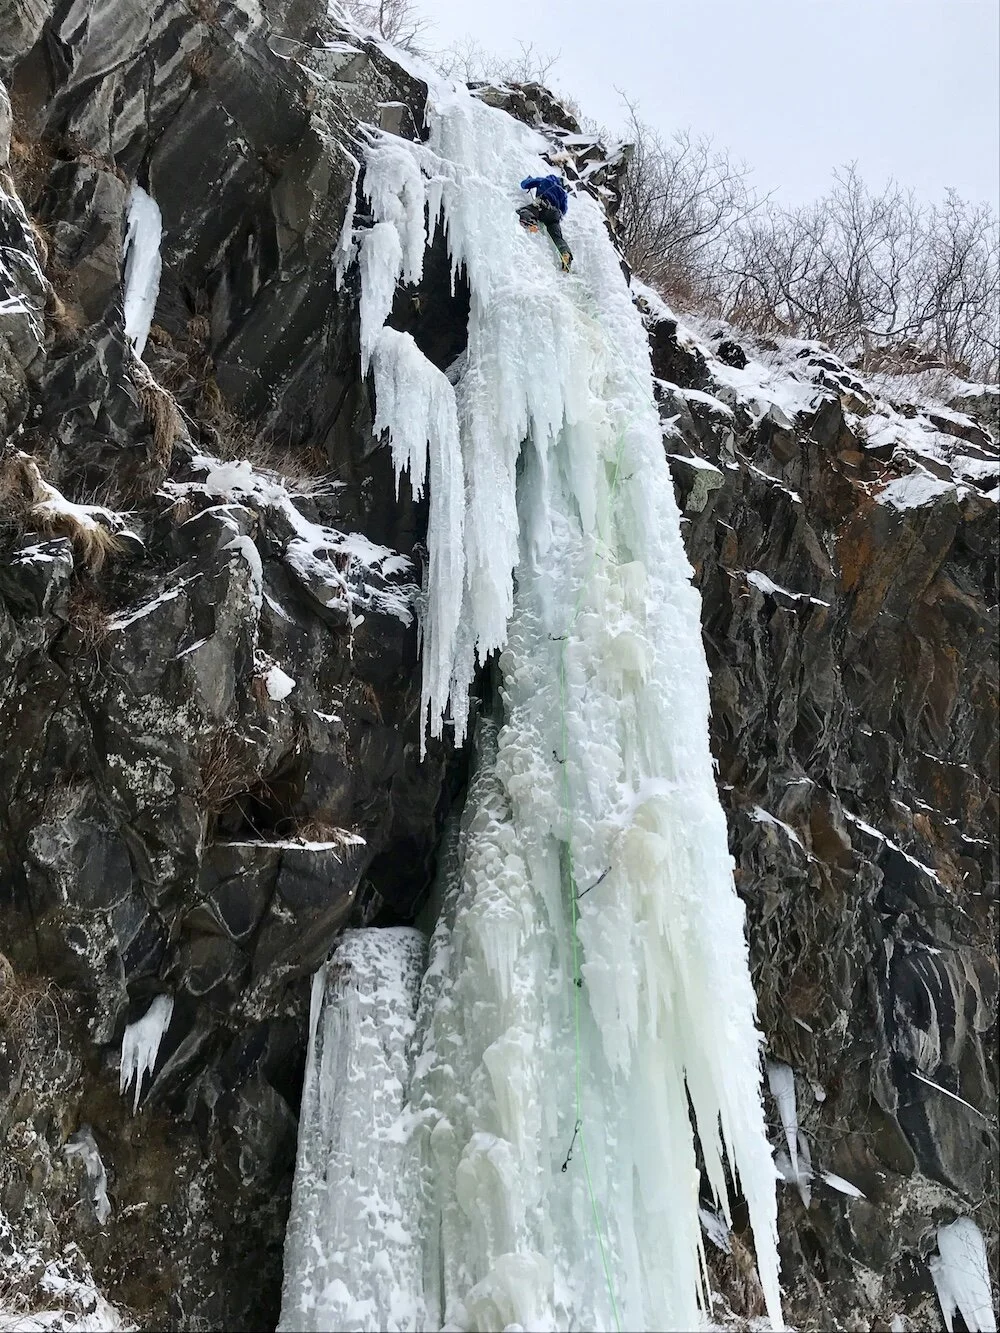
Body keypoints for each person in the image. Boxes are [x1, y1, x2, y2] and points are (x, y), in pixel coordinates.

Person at [518, 174, 573, 271]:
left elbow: (524, 184)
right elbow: (564, 210)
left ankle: (531, 223)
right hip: (555, 215)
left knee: (524, 211)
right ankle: (565, 252)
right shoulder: (563, 193)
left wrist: (529, 180)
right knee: (557, 237)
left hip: (542, 206)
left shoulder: (545, 180)